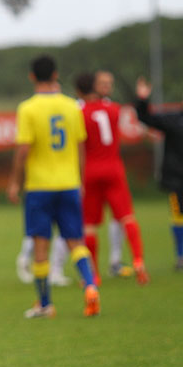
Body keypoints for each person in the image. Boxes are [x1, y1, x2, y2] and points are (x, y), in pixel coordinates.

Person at [7, 55, 99, 318]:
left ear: (32, 76)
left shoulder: (28, 108)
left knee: (40, 246)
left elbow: (23, 149)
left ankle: (45, 304)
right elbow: (81, 147)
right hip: (69, 183)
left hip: (39, 187)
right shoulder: (72, 106)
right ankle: (90, 286)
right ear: (56, 74)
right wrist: (79, 180)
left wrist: (15, 182)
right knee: (75, 240)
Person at [76, 73, 149, 286]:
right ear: (96, 88)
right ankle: (138, 261)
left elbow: (79, 145)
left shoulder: (80, 113)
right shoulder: (114, 109)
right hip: (114, 167)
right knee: (127, 217)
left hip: (90, 170)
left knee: (89, 225)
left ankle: (94, 275)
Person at [135, 79, 183, 270]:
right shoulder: (173, 119)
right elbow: (145, 117)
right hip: (176, 178)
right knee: (179, 215)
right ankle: (180, 257)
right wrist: (143, 99)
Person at [94, 70, 131, 278]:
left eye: (110, 82)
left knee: (119, 216)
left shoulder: (114, 109)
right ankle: (65, 265)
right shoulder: (81, 107)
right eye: (102, 82)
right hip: (89, 173)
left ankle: (115, 261)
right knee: (83, 221)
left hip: (111, 170)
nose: (106, 86)